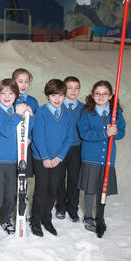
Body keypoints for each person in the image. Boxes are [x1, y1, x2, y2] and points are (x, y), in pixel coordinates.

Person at [0, 79, 33, 239]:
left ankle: (4, 219)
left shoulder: (16, 110)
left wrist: (26, 113)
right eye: (3, 93)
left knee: (11, 194)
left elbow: (25, 127)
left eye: (11, 93)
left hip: (14, 160)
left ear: (16, 95)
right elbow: (6, 130)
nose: (7, 96)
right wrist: (19, 114)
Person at [77, 80, 125, 234]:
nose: (101, 96)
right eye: (97, 93)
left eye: (105, 93)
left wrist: (116, 132)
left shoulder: (116, 112)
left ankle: (100, 216)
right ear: (93, 95)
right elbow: (84, 133)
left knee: (102, 189)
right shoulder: (87, 112)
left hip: (108, 157)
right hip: (91, 156)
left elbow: (122, 132)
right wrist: (105, 133)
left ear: (110, 96)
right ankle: (89, 216)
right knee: (91, 188)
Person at [30, 79, 72, 237]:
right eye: (53, 95)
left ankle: (46, 218)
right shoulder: (41, 112)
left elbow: (68, 137)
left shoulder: (66, 114)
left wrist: (59, 157)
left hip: (57, 159)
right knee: (41, 190)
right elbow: (38, 136)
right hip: (42, 158)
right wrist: (46, 158)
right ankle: (35, 219)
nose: (57, 99)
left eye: (60, 95)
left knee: (53, 190)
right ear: (48, 96)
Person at [55, 76, 84, 222]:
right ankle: (60, 206)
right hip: (59, 149)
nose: (73, 91)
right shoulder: (57, 106)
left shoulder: (84, 108)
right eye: (69, 87)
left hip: (76, 148)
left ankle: (73, 208)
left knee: (74, 179)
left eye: (76, 87)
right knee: (59, 178)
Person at [12, 68, 39, 178]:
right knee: (12, 174)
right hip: (13, 143)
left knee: (24, 174)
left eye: (26, 81)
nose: (23, 85)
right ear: (14, 82)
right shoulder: (9, 99)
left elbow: (37, 124)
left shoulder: (33, 101)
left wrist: (30, 138)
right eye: (20, 81)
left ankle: (24, 194)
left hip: (27, 143)